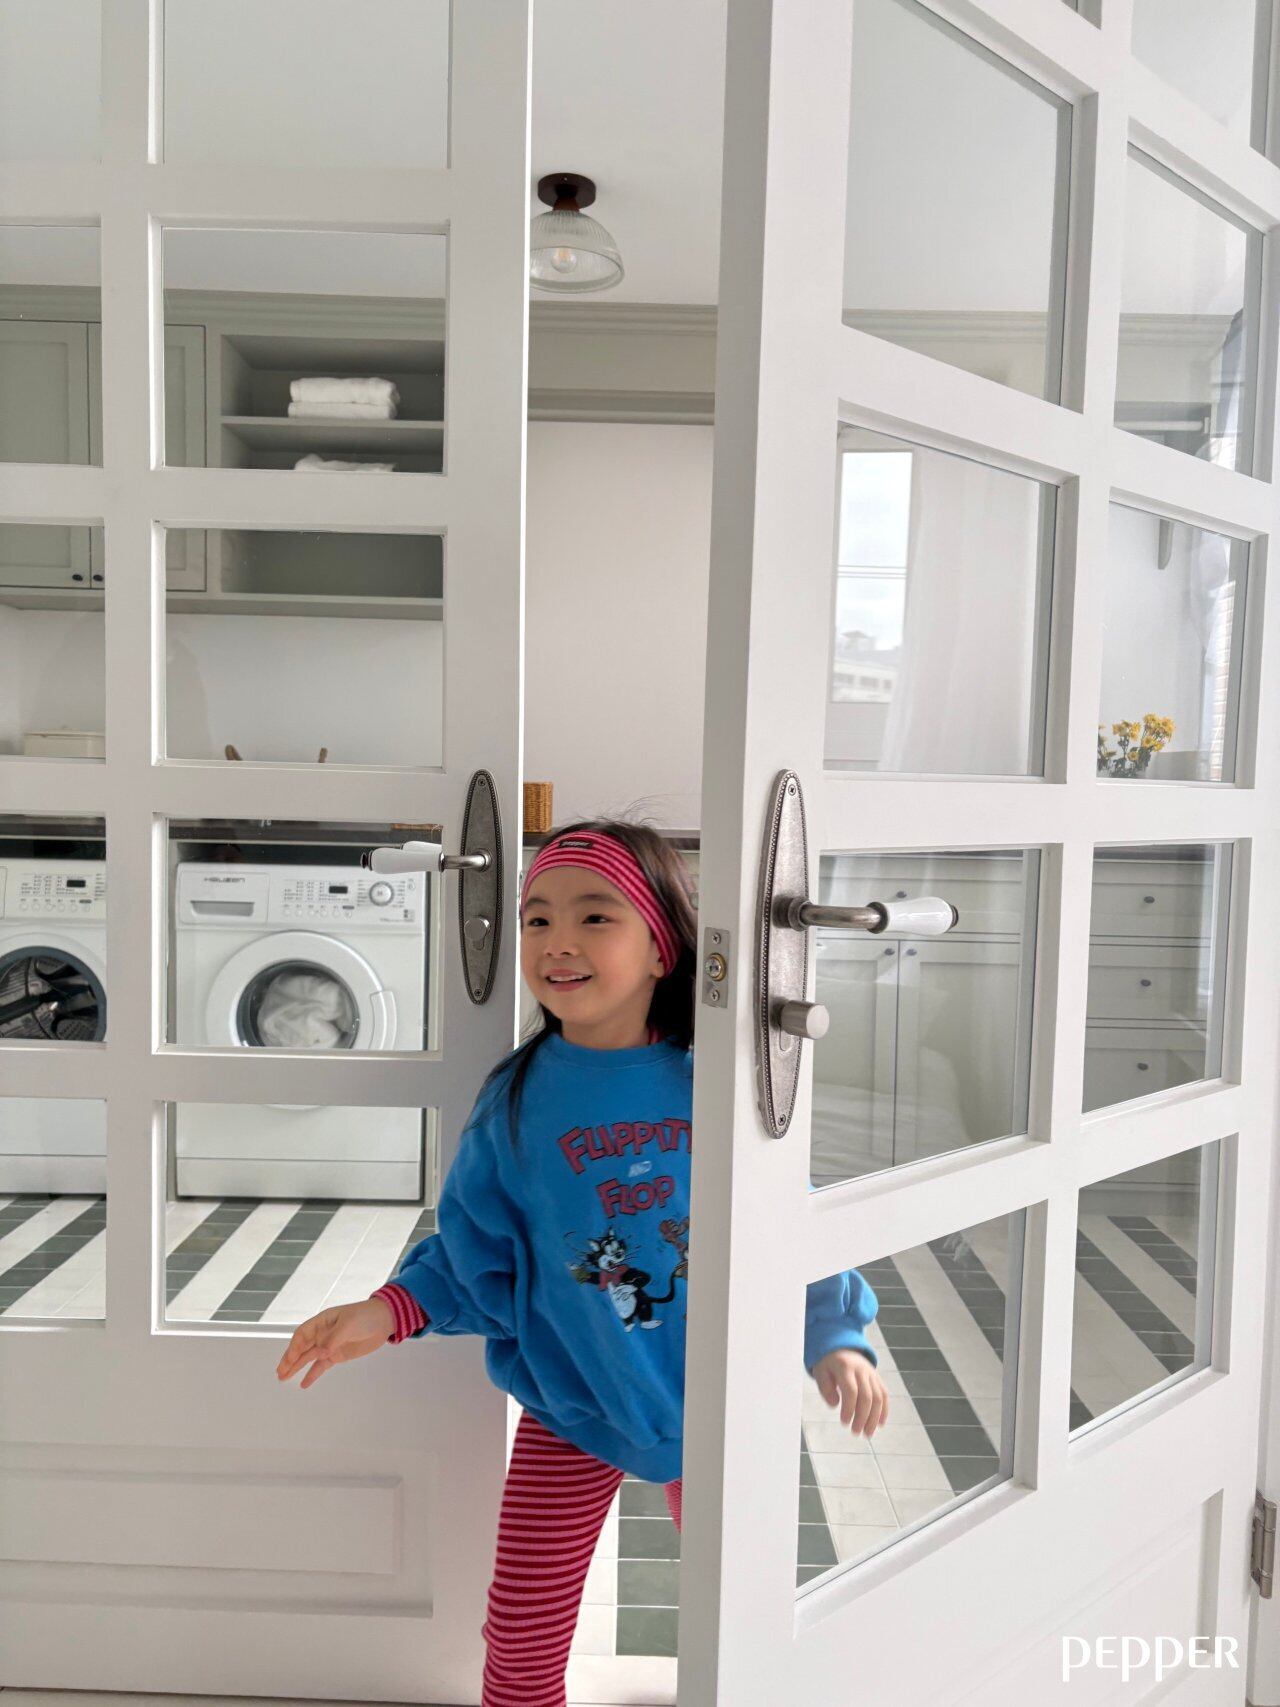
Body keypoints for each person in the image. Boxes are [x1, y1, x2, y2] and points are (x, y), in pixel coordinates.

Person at [275, 818, 889, 1707]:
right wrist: (388, 1310)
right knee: (520, 1634)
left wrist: (835, 1335)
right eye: (537, 919)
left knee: (750, 1622)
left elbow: (788, 1220)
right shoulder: (518, 1099)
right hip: (573, 1404)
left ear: (661, 948)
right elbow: (475, 1245)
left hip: (720, 1407)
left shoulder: (719, 1081)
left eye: (595, 916)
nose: (558, 940)